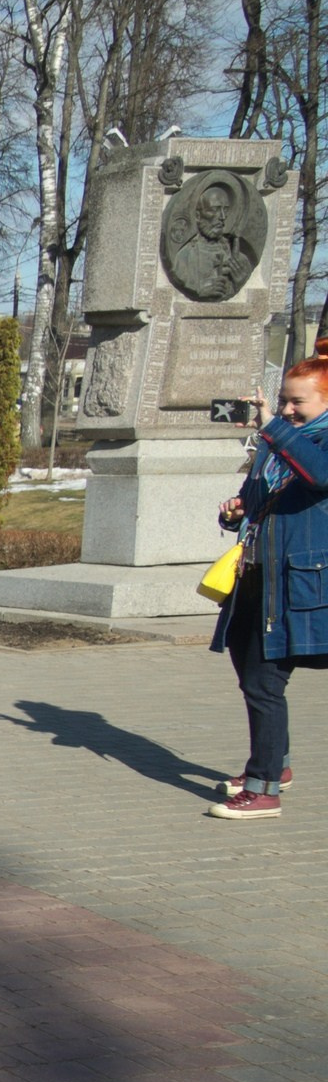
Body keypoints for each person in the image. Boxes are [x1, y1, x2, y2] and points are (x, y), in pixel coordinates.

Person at [209, 347, 328, 821]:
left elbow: (319, 475)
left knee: (263, 682)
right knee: (252, 673)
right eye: (282, 400)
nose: (285, 410)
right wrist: (236, 510)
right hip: (258, 575)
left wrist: (274, 430)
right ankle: (274, 764)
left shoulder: (303, 440)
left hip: (302, 584)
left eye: (297, 402)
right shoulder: (280, 442)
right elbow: (259, 499)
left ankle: (264, 788)